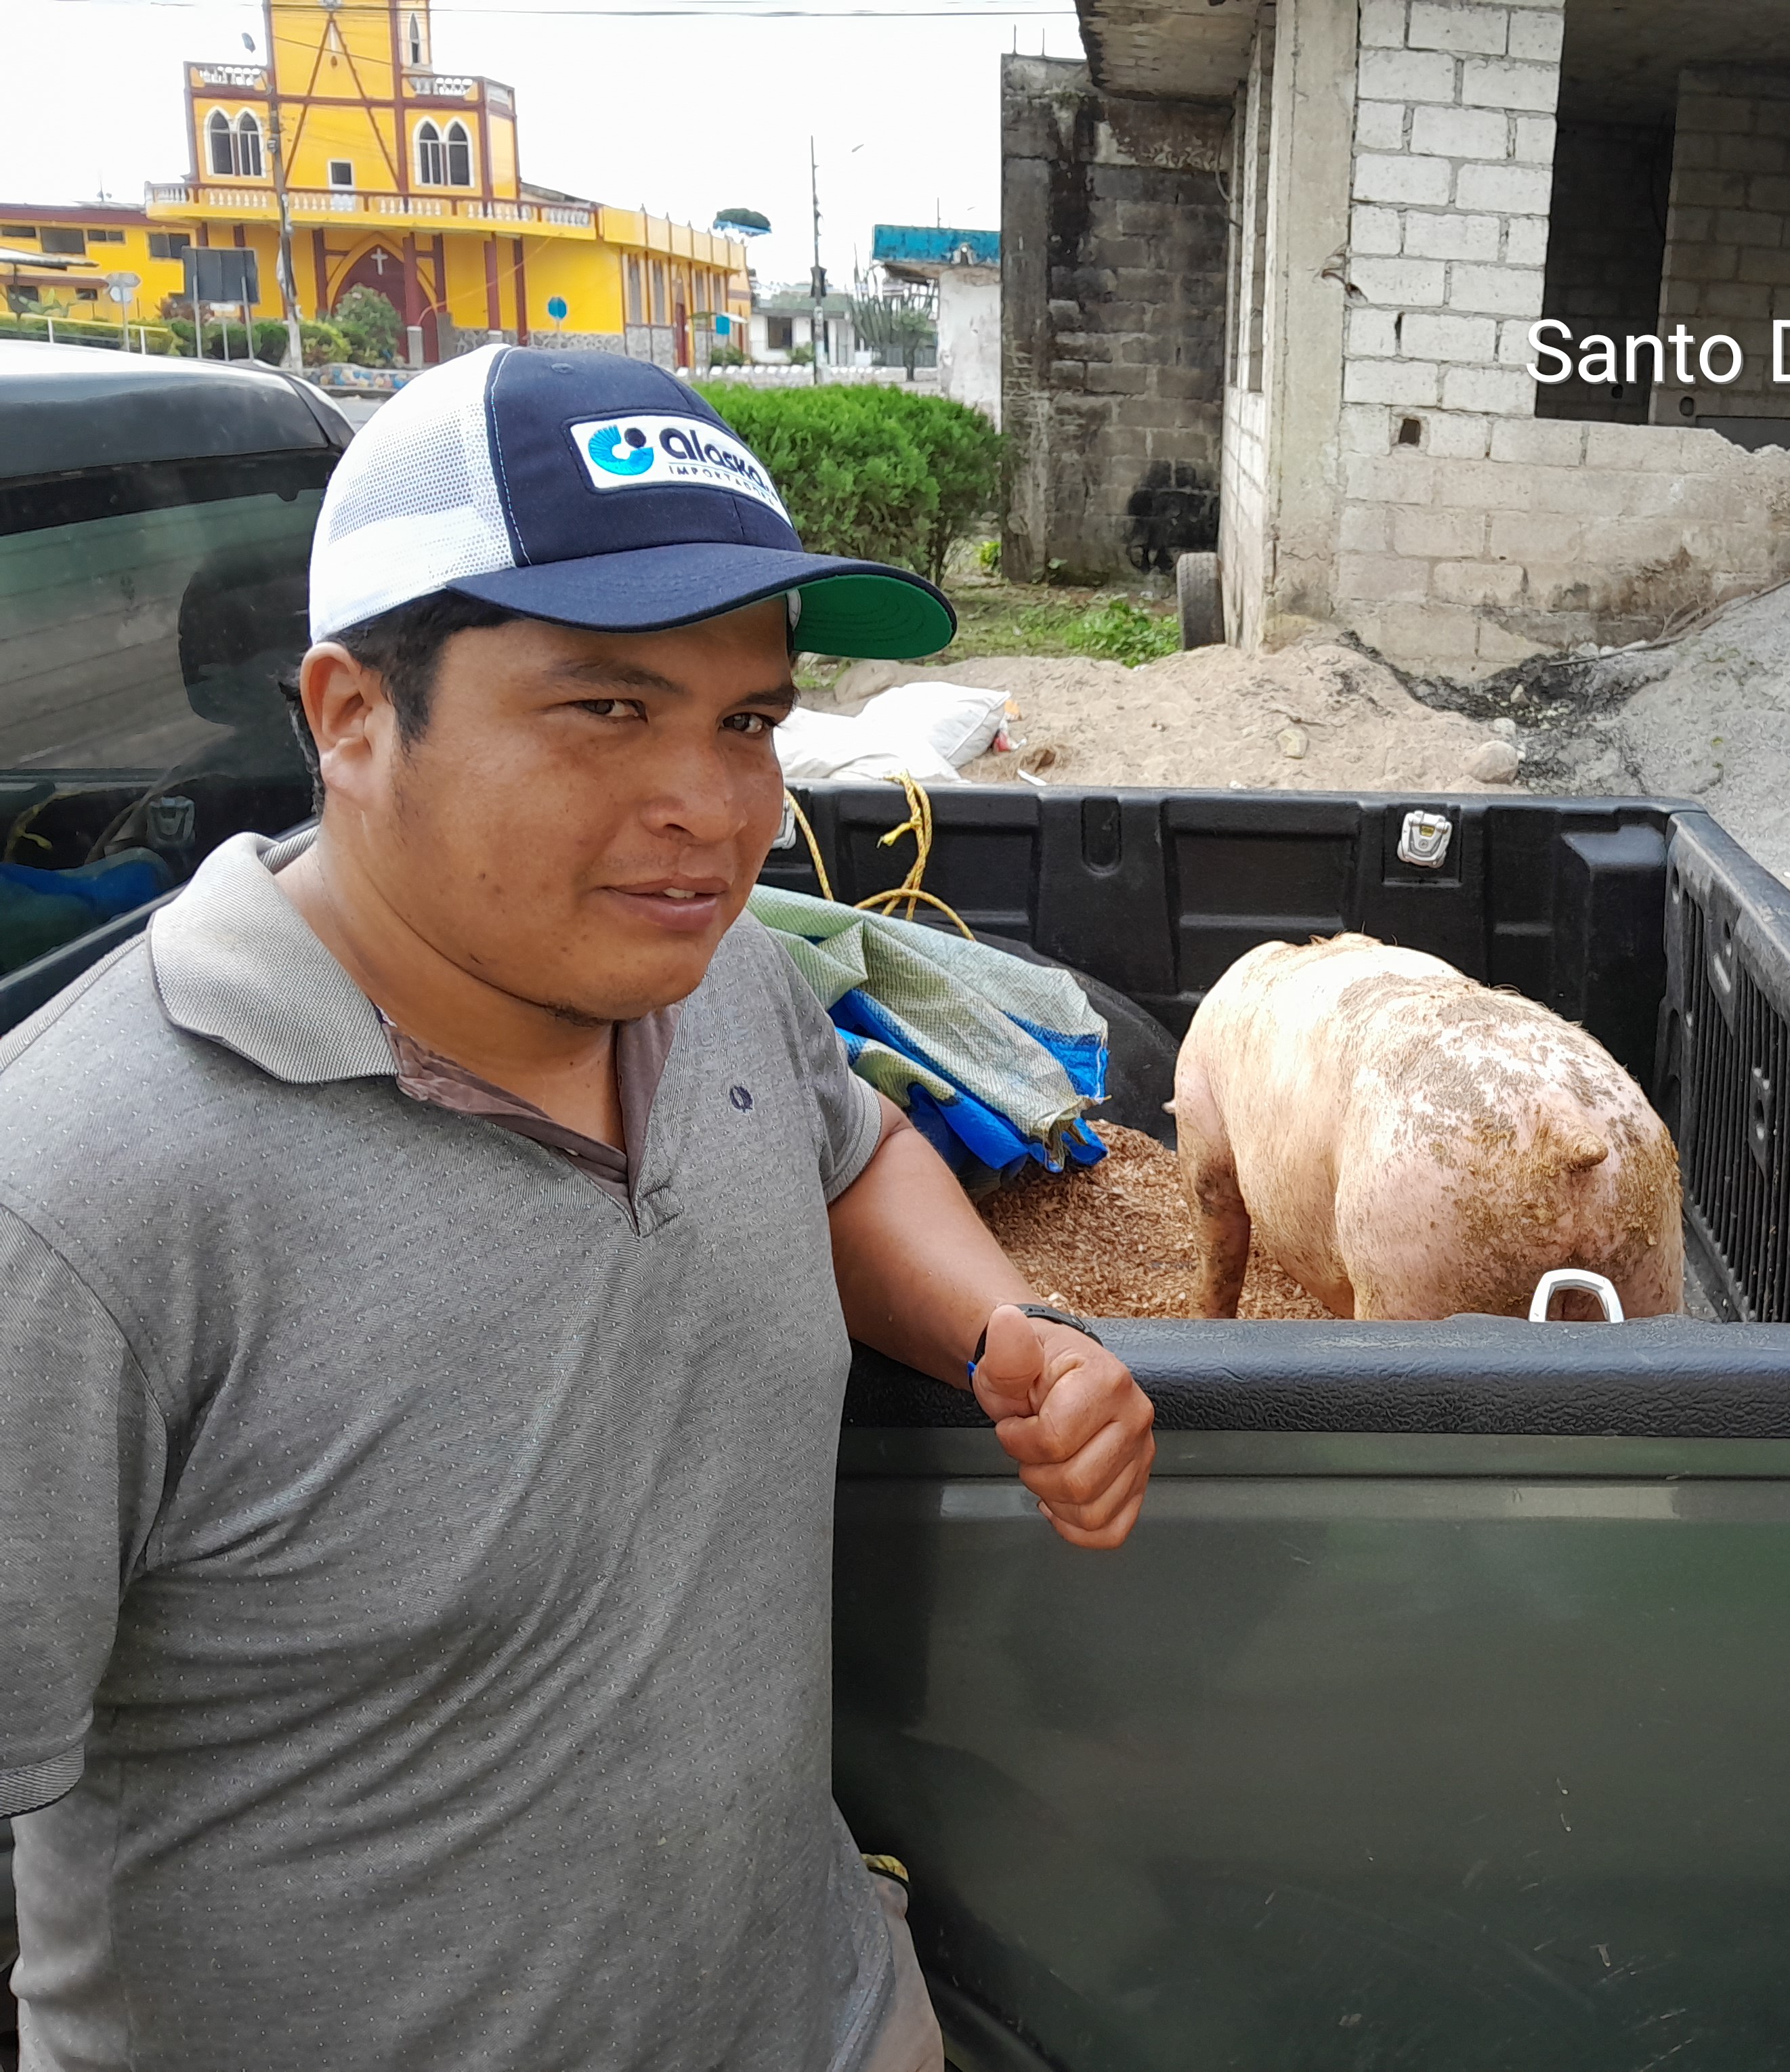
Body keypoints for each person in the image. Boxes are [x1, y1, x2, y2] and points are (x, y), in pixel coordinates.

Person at [0, 343, 1157, 2072]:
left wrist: (1003, 1327)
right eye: (609, 710)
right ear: (351, 716)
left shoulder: (723, 981)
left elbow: (843, 1146)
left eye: (748, 721)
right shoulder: (78, 1201)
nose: (717, 810)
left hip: (829, 2015)